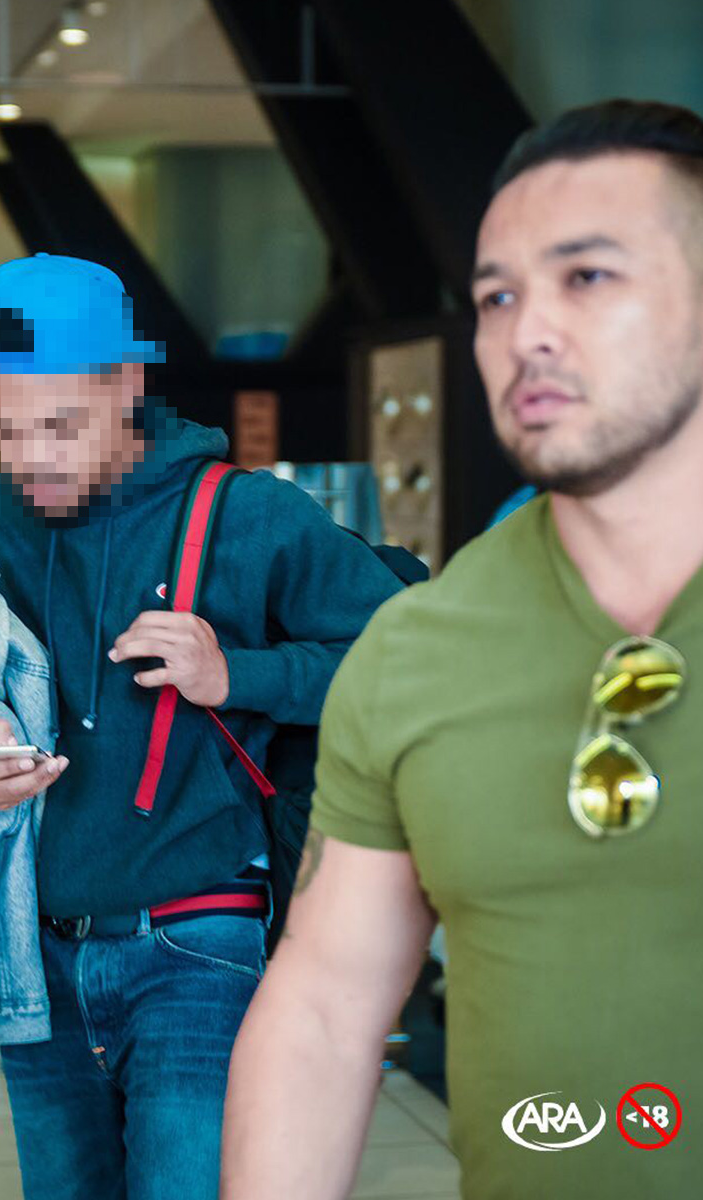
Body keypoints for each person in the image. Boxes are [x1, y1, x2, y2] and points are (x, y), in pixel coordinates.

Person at [220, 99, 703, 1200]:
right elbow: (326, 1006)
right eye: (498, 296)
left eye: (587, 276)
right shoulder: (417, 649)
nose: (528, 331)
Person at [0, 252, 403, 1200]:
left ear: (126, 387)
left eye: (61, 426)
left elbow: (403, 665)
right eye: (6, 429)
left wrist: (238, 673)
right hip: (33, 960)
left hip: (201, 946)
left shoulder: (248, 519)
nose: (32, 458)